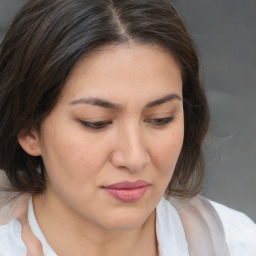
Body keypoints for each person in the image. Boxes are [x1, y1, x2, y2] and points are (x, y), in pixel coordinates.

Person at [0, 0, 255, 255]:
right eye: (96, 123)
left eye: (160, 119)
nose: (134, 158)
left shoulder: (237, 243)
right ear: (28, 129)